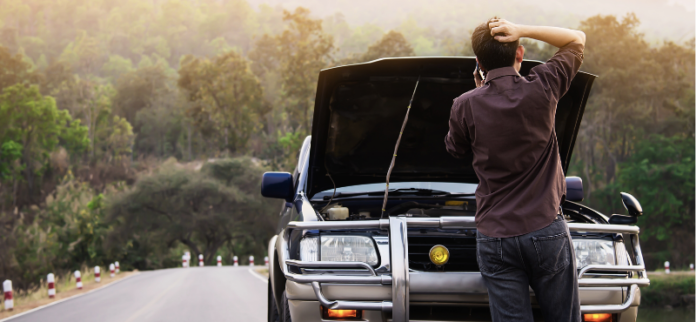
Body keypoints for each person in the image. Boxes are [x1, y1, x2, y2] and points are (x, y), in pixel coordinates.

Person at [444, 18, 586, 322]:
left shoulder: (464, 104)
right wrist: (522, 29)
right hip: (546, 228)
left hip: (495, 236)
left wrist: (478, 94)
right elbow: (576, 39)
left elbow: (454, 149)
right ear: (519, 53)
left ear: (479, 62)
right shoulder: (544, 86)